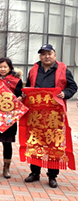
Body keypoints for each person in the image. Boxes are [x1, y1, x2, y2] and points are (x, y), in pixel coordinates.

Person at [24, 44, 77, 188]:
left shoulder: (63, 70)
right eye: (43, 54)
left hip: (55, 114)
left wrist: (65, 94)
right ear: (40, 56)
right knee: (35, 142)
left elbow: (73, 87)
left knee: (54, 144)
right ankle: (34, 172)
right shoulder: (34, 70)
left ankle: (52, 176)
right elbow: (29, 87)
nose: (46, 56)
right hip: (37, 114)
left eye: (49, 53)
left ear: (54, 55)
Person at [0, 58, 23, 179]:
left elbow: (20, 95)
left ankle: (6, 168)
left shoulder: (16, 80)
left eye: (5, 67)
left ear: (10, 68)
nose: (2, 69)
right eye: (0, 67)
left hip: (9, 117)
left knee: (7, 143)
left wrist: (20, 98)